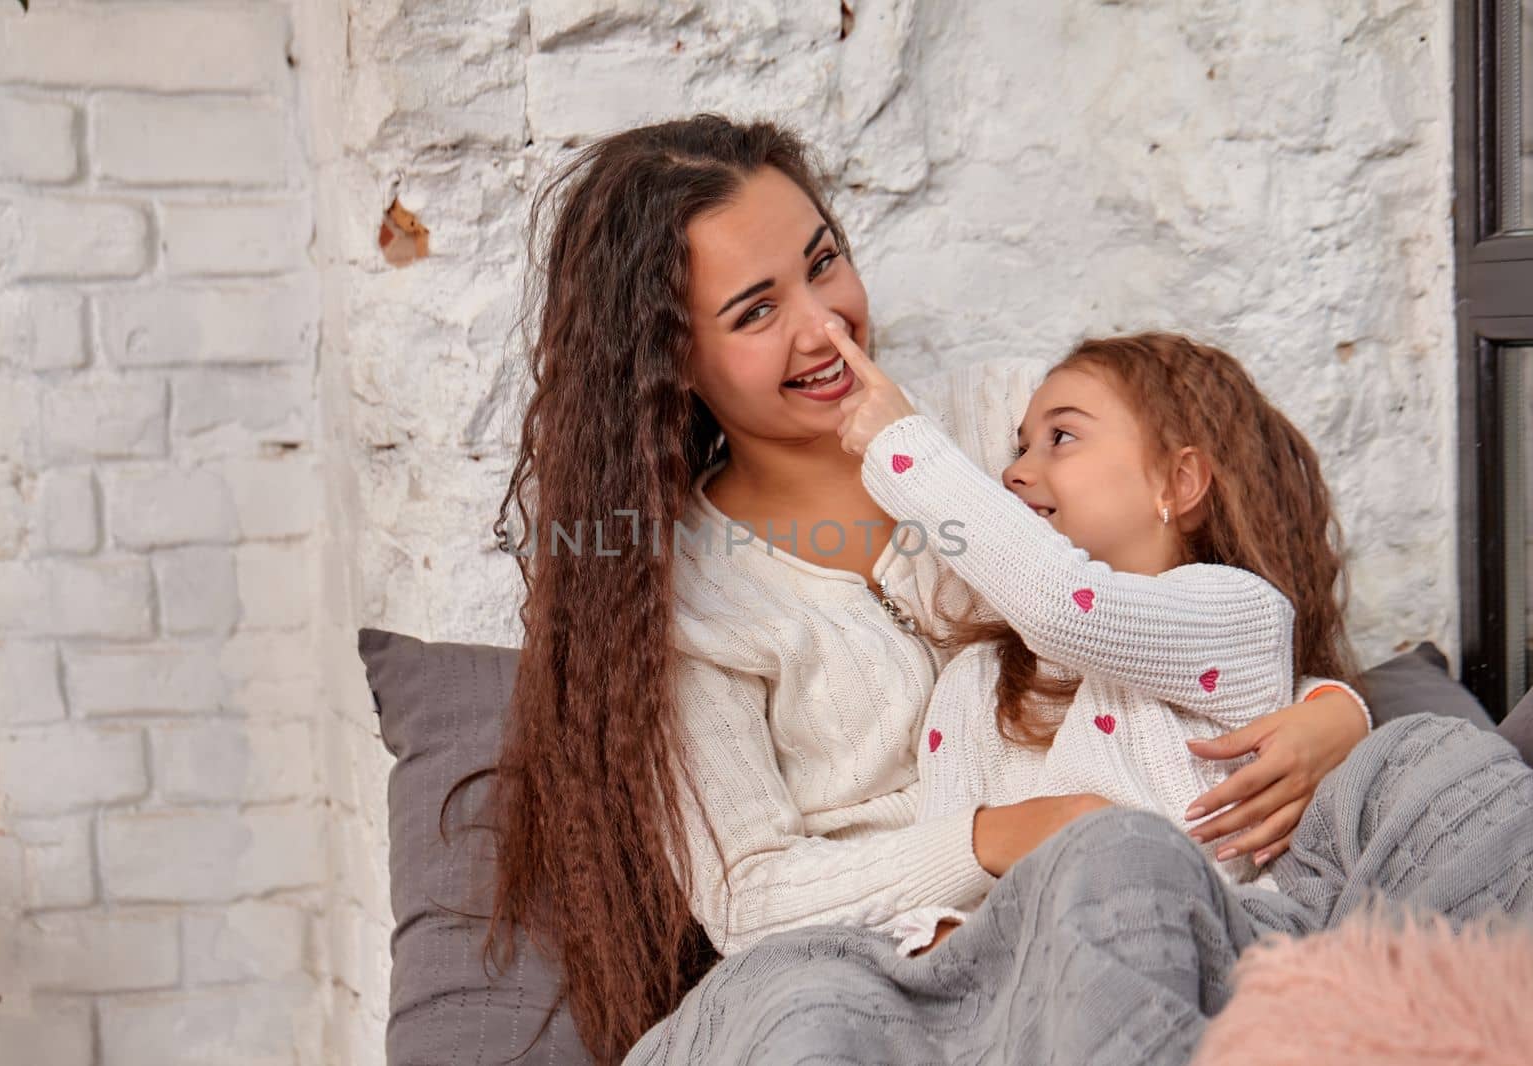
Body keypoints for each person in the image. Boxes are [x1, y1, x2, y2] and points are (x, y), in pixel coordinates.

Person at [480, 113, 1370, 1065]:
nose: (824, 326)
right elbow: (748, 894)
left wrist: (1331, 708)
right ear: (671, 362)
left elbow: (1198, 591)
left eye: (823, 264)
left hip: (1127, 892)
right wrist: (1006, 837)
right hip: (879, 950)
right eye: (756, 312)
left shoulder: (1013, 423)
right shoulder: (682, 596)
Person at [821, 330, 1362, 956]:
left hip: (1199, 958)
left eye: (1062, 438)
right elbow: (949, 875)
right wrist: (942, 938)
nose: (1015, 471)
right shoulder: (975, 681)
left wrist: (900, 444)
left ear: (1178, 483)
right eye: (1020, 447)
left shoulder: (1239, 612)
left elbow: (1066, 606)